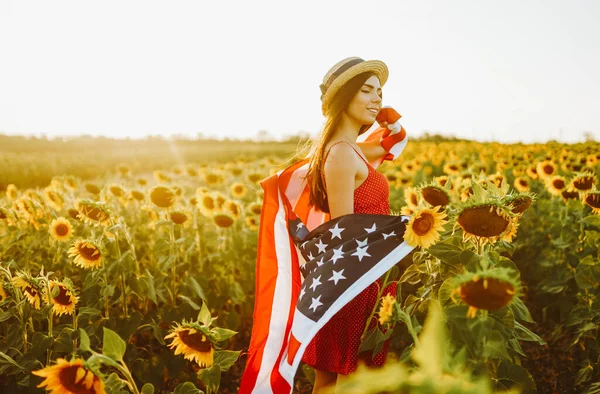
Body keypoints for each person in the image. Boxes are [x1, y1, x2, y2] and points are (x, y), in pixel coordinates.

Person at [300, 56, 401, 393]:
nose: (377, 99)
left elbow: (392, 145)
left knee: (329, 382)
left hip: (359, 275)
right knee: (349, 383)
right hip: (357, 279)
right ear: (345, 97)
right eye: (367, 91)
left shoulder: (353, 150)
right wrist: (402, 231)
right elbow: (343, 231)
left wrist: (393, 122)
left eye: (380, 93)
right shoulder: (342, 154)